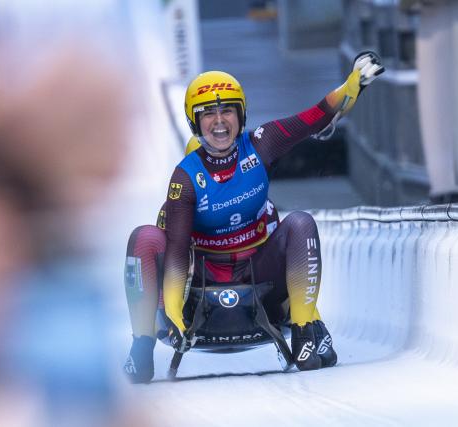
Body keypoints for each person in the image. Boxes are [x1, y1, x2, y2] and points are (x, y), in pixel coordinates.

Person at [123, 52, 384, 383]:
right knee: (145, 237)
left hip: (259, 271)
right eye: (209, 114)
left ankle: (305, 330)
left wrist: (351, 87)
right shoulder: (185, 177)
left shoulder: (262, 144)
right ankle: (141, 348)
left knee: (300, 223)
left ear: (240, 115)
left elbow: (313, 118)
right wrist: (173, 311)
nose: (219, 122)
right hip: (203, 280)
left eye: (227, 111)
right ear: (195, 122)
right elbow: (175, 250)